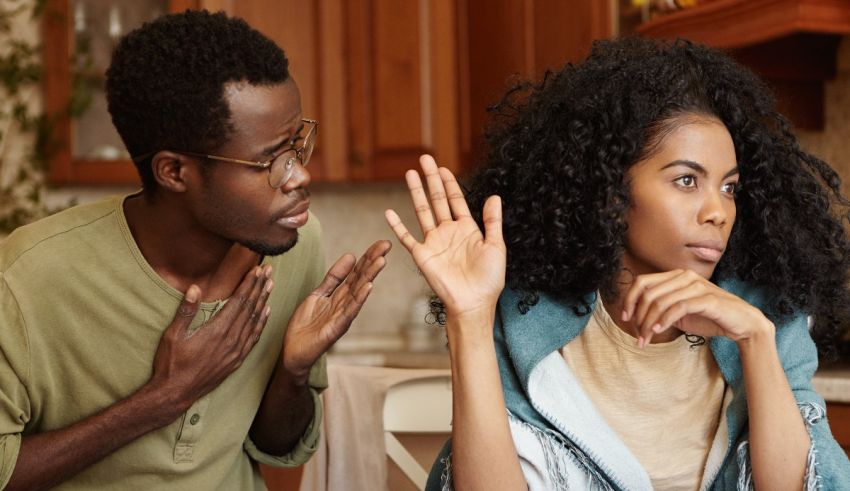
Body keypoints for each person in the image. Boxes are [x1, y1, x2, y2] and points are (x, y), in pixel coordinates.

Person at [386, 37, 850, 490]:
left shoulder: (767, 312)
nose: (719, 211)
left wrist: (755, 338)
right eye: (687, 180)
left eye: (730, 188)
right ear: (610, 192)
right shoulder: (527, 321)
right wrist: (469, 319)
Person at [0, 10, 390, 490]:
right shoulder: (28, 277)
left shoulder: (297, 242)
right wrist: (164, 397)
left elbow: (277, 446)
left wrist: (294, 369)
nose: (300, 175)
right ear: (175, 173)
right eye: (269, 159)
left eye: (296, 146)